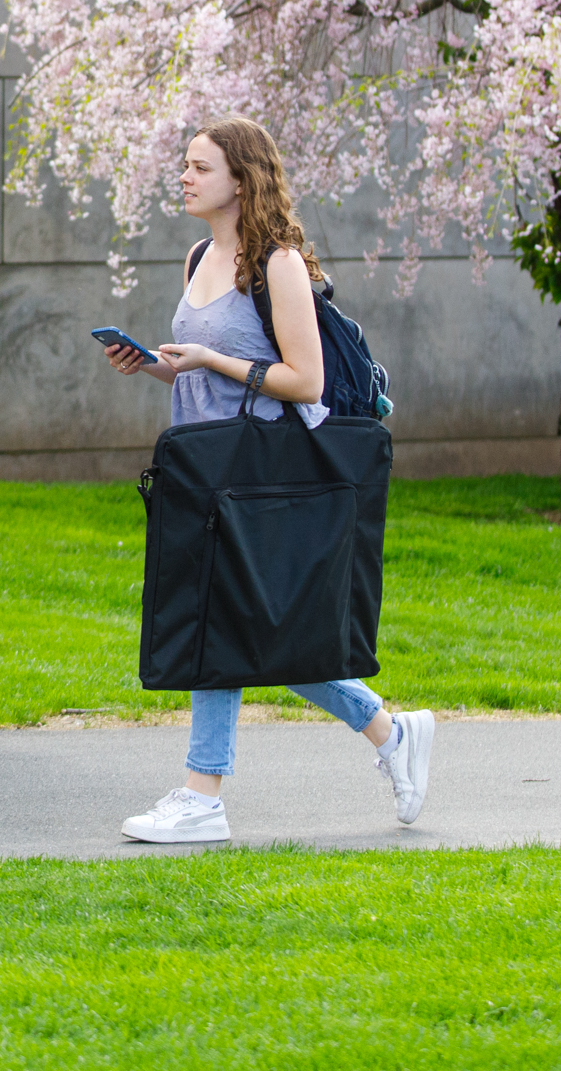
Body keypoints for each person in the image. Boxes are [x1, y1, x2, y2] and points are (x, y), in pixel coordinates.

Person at [94, 118, 434, 843]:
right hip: (205, 466)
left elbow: (303, 378)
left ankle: (202, 795)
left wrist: (210, 363)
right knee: (256, 631)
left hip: (258, 476)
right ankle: (391, 733)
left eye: (199, 167)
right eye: (184, 165)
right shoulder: (197, 256)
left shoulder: (276, 264)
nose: (183, 177)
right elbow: (198, 359)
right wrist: (153, 363)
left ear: (241, 181)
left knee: (229, 625)